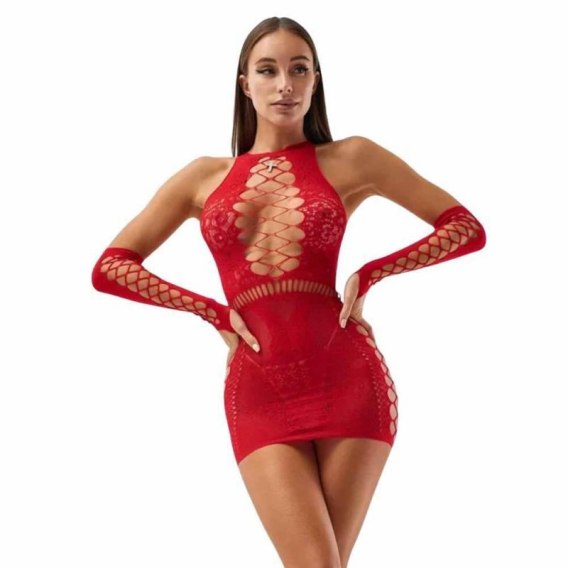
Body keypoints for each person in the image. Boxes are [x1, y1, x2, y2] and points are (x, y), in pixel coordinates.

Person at [91, 16, 486, 568]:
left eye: (299, 70)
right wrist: (213, 313)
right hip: (259, 387)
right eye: (268, 70)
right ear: (244, 84)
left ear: (315, 80)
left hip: (347, 377)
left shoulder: (351, 158)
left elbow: (465, 228)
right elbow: (111, 267)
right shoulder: (201, 177)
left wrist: (371, 272)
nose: (285, 85)